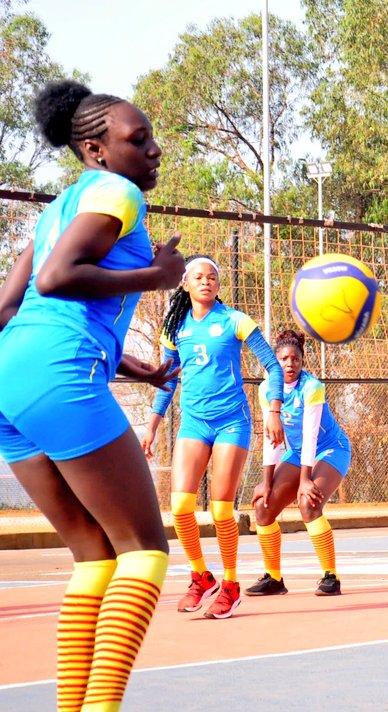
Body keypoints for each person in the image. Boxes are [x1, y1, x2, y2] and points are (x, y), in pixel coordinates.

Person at [0, 80, 185, 711]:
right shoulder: (117, 191)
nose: (154, 150)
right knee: (145, 549)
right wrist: (159, 275)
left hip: (13, 380)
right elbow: (57, 281)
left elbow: (7, 307)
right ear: (95, 150)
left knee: (93, 555)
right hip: (55, 371)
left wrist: (130, 365)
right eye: (139, 140)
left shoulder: (56, 211)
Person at [140, 254, 285, 619]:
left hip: (231, 423)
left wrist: (274, 410)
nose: (206, 282)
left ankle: (231, 584)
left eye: (212, 278)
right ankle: (201, 576)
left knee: (221, 509)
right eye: (198, 277)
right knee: (180, 508)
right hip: (193, 423)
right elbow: (168, 378)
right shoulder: (175, 329)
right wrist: (153, 424)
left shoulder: (234, 320)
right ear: (185, 284)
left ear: (217, 286)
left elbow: (273, 367)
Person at [245, 329, 352, 597]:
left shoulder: (312, 387)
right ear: (274, 362)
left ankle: (331, 576)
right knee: (263, 506)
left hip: (329, 449)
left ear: (302, 361)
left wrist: (305, 481)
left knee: (308, 502)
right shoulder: (266, 389)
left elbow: (311, 435)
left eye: (295, 359)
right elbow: (272, 439)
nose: (289, 364)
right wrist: (266, 482)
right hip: (297, 452)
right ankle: (273, 578)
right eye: (283, 359)